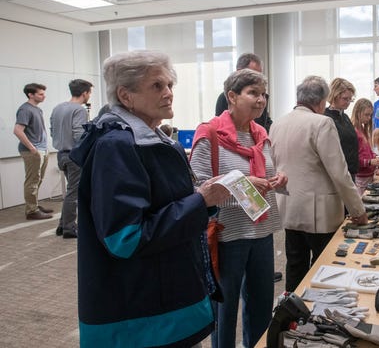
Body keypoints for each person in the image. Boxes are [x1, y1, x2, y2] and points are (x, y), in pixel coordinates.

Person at [70, 50, 227, 347]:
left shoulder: (153, 140)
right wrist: (199, 202)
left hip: (163, 297)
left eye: (170, 85)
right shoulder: (117, 146)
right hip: (142, 313)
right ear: (125, 96)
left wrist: (201, 196)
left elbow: (161, 204)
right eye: (157, 86)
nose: (168, 93)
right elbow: (125, 237)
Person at [189, 68, 287, 348]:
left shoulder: (261, 135)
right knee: (225, 310)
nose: (260, 100)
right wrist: (246, 185)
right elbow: (200, 190)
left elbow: (266, 176)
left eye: (263, 94)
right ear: (231, 96)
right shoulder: (210, 134)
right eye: (252, 93)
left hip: (262, 232)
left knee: (260, 308)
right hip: (227, 235)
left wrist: (276, 180)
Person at [270, 76, 368, 292]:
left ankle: (291, 314)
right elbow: (339, 173)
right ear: (322, 101)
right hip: (319, 213)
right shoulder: (322, 122)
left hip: (289, 206)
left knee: (295, 264)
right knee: (324, 269)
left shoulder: (278, 123)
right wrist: (358, 210)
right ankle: (317, 317)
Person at [50, 79, 93, 238]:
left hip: (61, 154)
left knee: (71, 191)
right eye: (89, 93)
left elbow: (52, 131)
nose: (89, 96)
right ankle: (69, 228)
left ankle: (62, 225)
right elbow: (79, 135)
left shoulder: (57, 108)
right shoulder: (79, 110)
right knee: (74, 193)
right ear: (84, 93)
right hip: (74, 155)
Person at [14, 83, 53, 220]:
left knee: (38, 179)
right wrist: (32, 148)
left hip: (41, 149)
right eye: (40, 94)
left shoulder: (37, 109)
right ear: (31, 94)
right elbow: (17, 130)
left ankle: (34, 205)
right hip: (33, 150)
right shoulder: (25, 110)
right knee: (32, 180)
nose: (44, 96)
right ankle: (31, 211)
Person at [215, 52, 272, 132]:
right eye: (252, 74)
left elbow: (266, 122)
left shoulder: (260, 133)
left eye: (260, 74)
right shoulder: (224, 98)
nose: (261, 100)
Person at [324, 78, 359, 180]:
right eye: (345, 98)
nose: (348, 102)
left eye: (350, 99)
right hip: (336, 173)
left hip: (350, 171)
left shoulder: (346, 117)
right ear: (334, 96)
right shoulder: (325, 118)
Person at [351, 98, 379, 195]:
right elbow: (353, 159)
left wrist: (375, 157)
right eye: (366, 115)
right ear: (358, 112)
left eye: (370, 115)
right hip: (361, 178)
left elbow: (367, 151)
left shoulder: (363, 129)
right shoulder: (353, 131)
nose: (369, 118)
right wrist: (370, 161)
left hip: (369, 175)